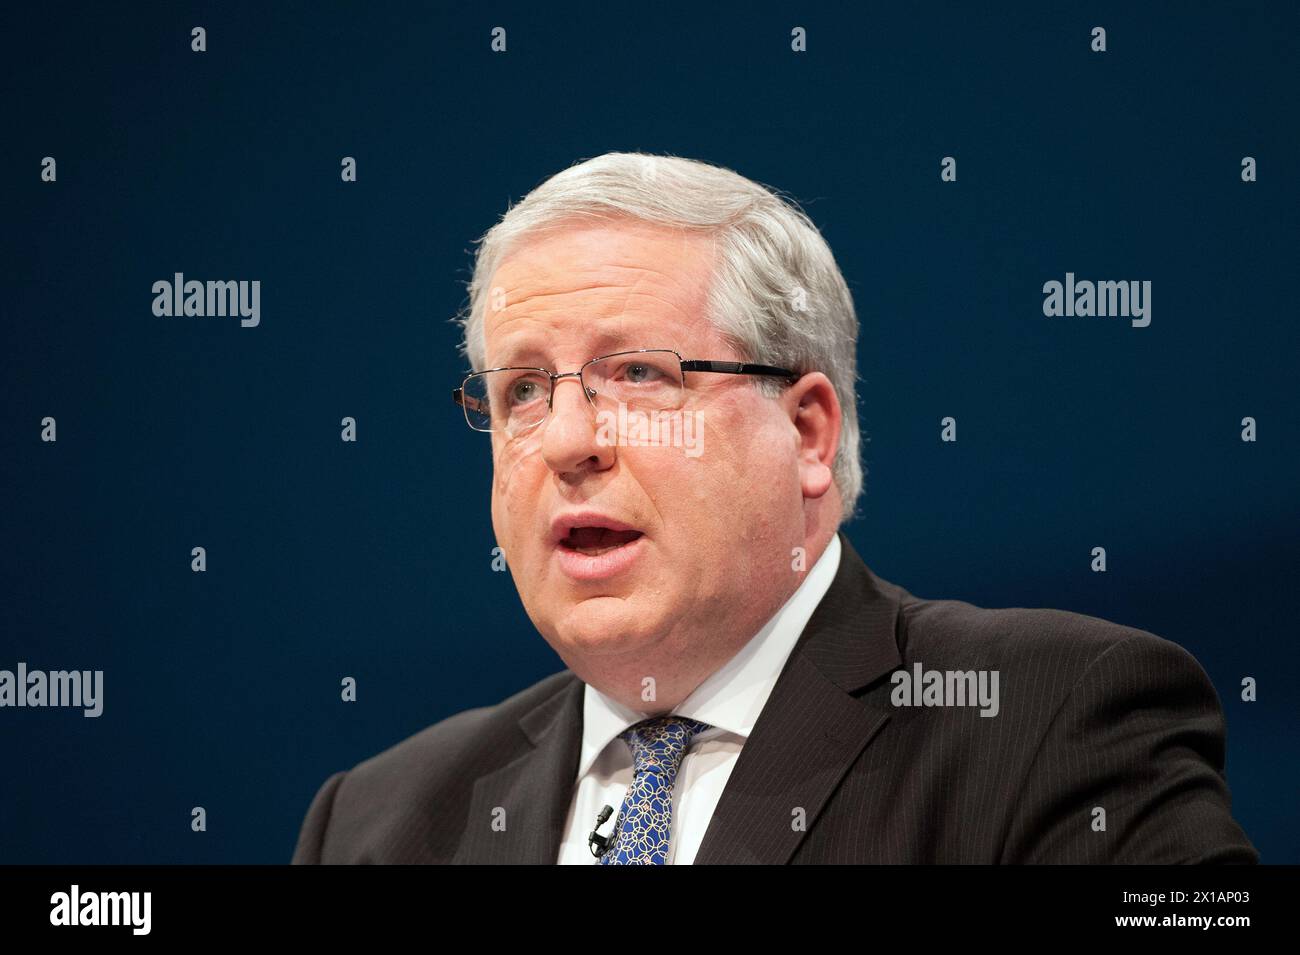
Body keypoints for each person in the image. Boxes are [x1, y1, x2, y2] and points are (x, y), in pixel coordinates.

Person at [291, 152, 1257, 864]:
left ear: (806, 433)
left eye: (637, 374)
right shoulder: (379, 823)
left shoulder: (1056, 720)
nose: (566, 440)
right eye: (523, 391)